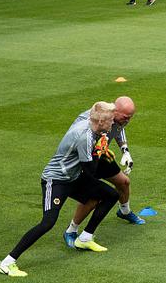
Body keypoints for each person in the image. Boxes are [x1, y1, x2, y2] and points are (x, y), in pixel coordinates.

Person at [0, 102, 120, 277]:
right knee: (48, 222)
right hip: (56, 180)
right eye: (110, 121)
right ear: (100, 121)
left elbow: (95, 108)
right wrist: (99, 151)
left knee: (111, 195)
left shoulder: (88, 118)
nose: (112, 124)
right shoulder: (84, 137)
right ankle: (7, 262)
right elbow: (91, 171)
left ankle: (85, 238)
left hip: (73, 176)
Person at [63, 97, 142, 248]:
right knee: (92, 197)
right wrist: (97, 148)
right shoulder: (90, 118)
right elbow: (78, 139)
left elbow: (119, 129)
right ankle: (71, 230)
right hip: (84, 160)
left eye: (130, 117)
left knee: (124, 182)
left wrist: (125, 150)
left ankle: (124, 212)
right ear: (115, 111)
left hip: (100, 155)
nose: (127, 120)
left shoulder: (116, 120)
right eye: (126, 117)